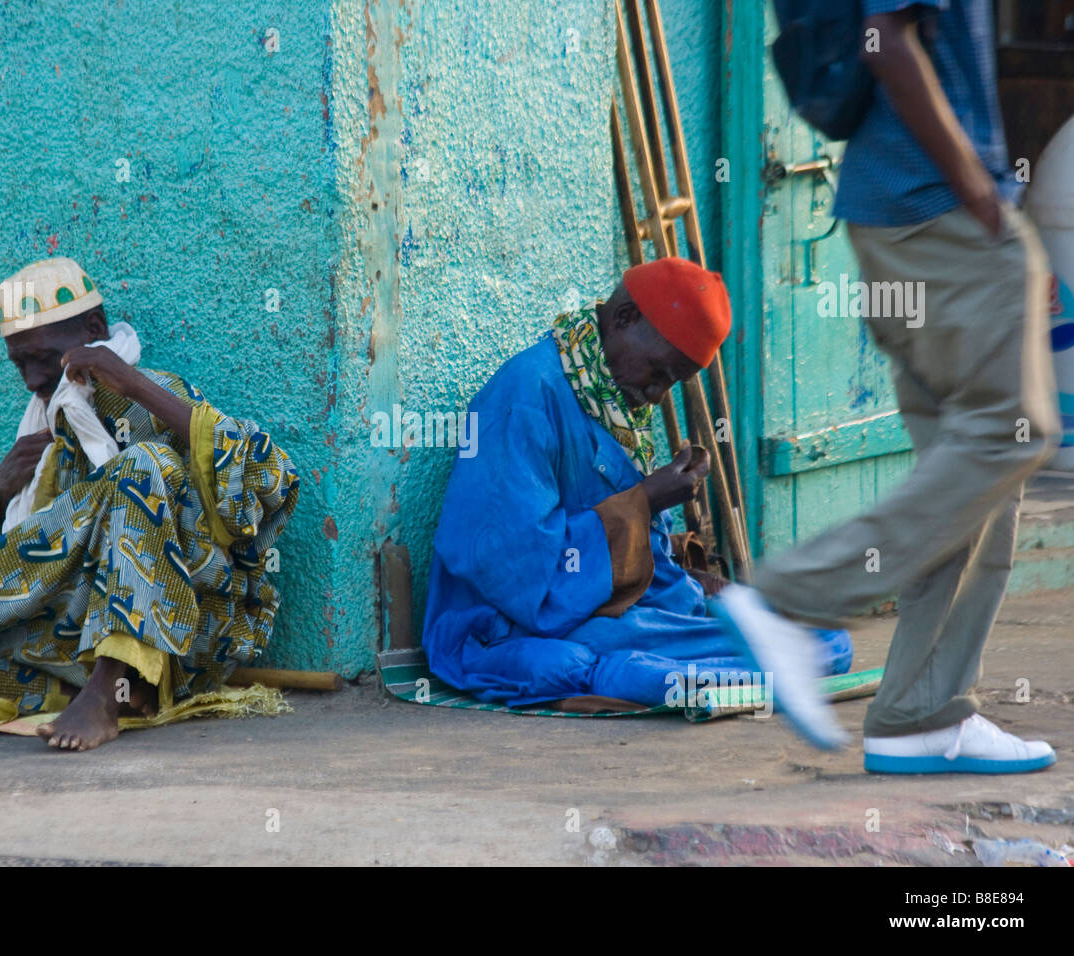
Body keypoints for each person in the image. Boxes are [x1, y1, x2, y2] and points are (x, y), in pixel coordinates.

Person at [712, 0, 1059, 772]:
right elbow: (887, 37)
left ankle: (918, 714)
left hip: (898, 214)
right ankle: (787, 600)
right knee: (1017, 431)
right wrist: (981, 198)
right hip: (937, 212)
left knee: (972, 477)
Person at [0, 257, 300, 751]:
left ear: (94, 329)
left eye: (41, 358)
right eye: (18, 363)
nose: (30, 379)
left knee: (142, 465)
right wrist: (3, 493)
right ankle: (72, 690)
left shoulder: (157, 394)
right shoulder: (47, 426)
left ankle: (112, 688)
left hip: (187, 637)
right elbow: (12, 567)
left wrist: (134, 386)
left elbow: (271, 479)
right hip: (67, 639)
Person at [422, 258, 851, 710]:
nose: (656, 396)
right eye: (659, 373)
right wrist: (644, 501)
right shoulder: (522, 398)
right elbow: (514, 572)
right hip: (509, 627)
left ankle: (668, 674)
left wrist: (702, 591)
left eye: (672, 383)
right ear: (625, 319)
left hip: (616, 615)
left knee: (828, 641)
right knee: (575, 661)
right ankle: (642, 676)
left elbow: (650, 577)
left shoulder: (611, 398)